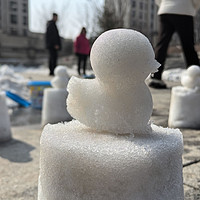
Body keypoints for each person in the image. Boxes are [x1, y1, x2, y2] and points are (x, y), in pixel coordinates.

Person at [149, 0, 200, 89]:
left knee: (162, 45)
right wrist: (194, 6)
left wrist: (165, 4)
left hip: (165, 10)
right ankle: (196, 77)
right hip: (184, 10)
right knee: (188, 45)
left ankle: (155, 77)